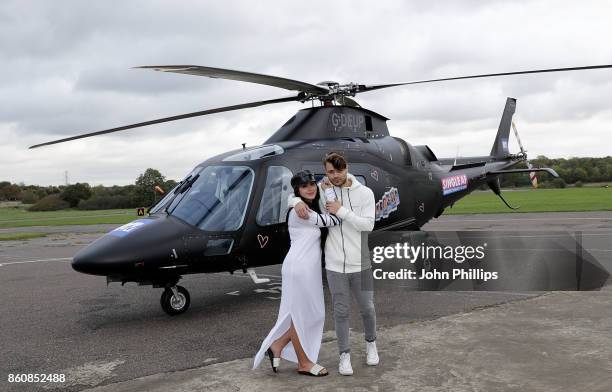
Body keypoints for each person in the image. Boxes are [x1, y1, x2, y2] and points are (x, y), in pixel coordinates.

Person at [289, 152, 378, 376]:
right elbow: (301, 193)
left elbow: (368, 225)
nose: (335, 176)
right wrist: (296, 201)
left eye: (339, 170)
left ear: (347, 167)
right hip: (335, 263)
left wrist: (342, 211)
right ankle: (344, 355)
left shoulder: (365, 193)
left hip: (362, 263)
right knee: (341, 311)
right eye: (330, 172)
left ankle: (371, 344)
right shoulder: (322, 190)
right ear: (326, 172)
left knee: (367, 308)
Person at [253, 170, 340, 377]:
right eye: (304, 186)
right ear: (297, 190)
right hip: (299, 268)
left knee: (310, 314)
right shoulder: (301, 212)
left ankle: (278, 344)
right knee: (303, 315)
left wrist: (296, 200)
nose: (310, 188)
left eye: (312, 184)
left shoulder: (305, 208)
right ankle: (303, 363)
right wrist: (324, 195)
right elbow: (335, 220)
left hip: (304, 268)